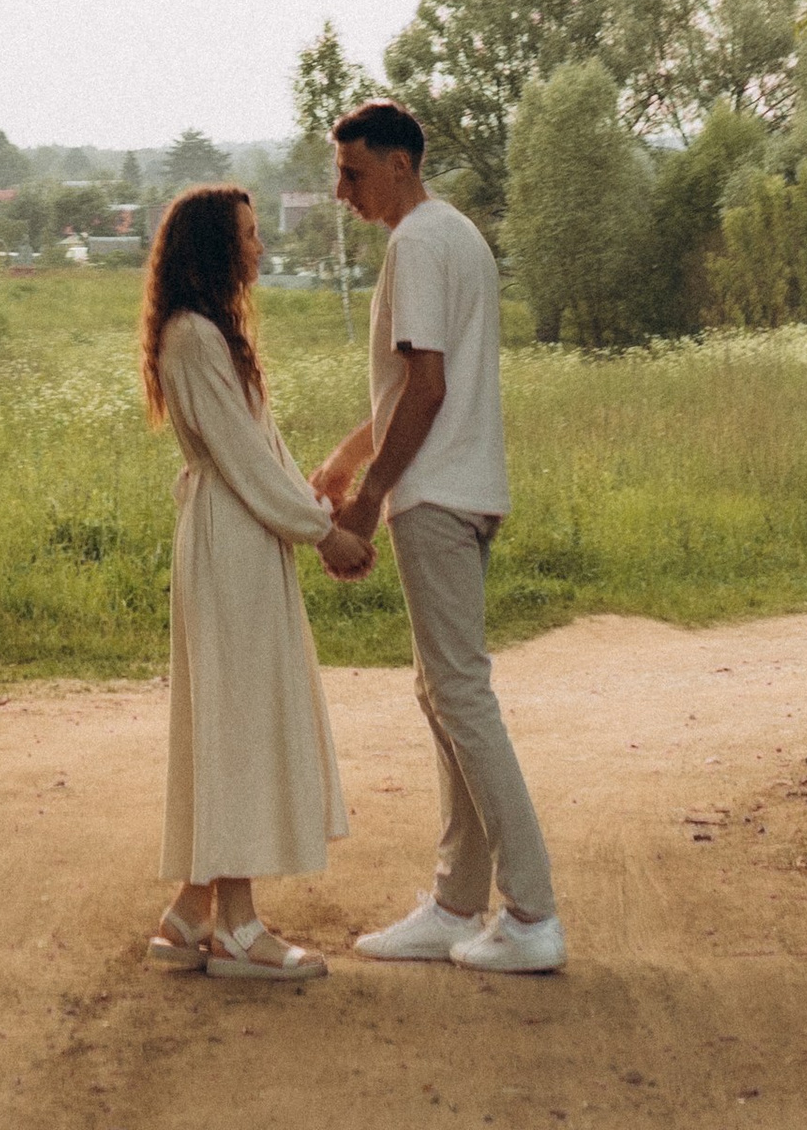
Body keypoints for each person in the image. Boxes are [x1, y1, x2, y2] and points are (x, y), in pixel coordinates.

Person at [312, 97, 567, 974]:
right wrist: (350, 459)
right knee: (443, 691)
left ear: (397, 164)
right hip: (465, 486)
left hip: (435, 493)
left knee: (459, 694)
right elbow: (409, 383)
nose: (341, 191)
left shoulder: (417, 242)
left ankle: (530, 914)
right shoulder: (455, 234)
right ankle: (458, 901)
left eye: (351, 172)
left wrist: (368, 495)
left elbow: (426, 387)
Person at [141, 180, 374, 981]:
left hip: (245, 536)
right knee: (237, 720)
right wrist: (324, 533)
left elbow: (260, 446)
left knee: (233, 714)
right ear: (214, 245)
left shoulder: (209, 333)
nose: (260, 247)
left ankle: (187, 914)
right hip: (230, 538)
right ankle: (236, 926)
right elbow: (241, 462)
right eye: (247, 234)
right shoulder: (194, 338)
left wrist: (314, 507)